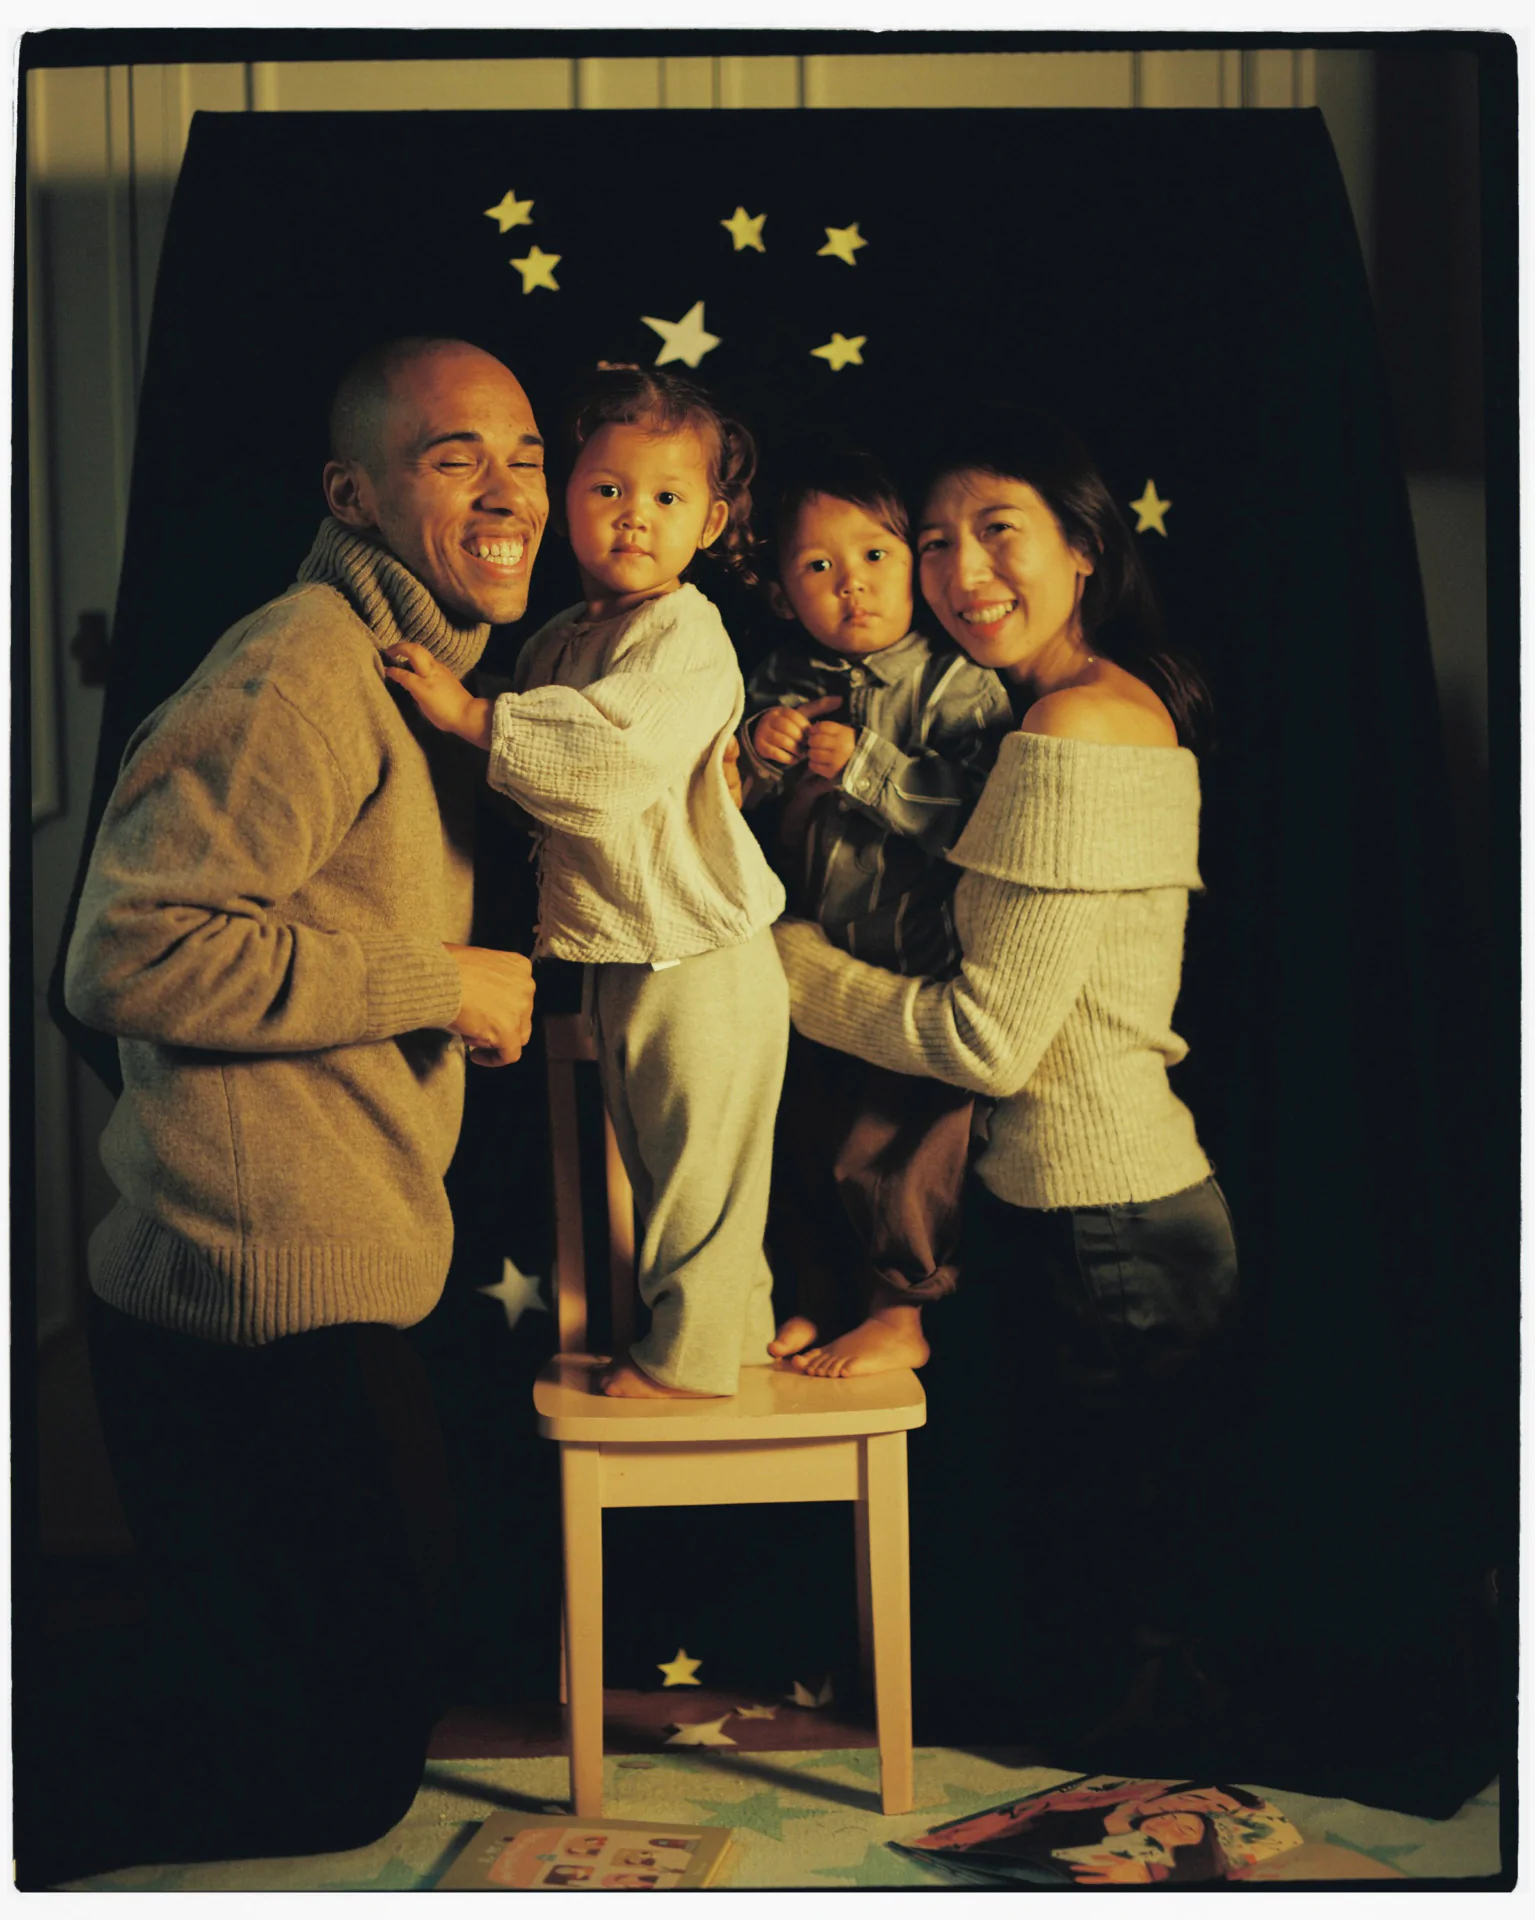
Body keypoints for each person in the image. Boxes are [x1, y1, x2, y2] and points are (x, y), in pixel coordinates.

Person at [20, 337, 543, 1886]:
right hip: (244, 1307)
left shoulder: (424, 672)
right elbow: (124, 954)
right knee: (322, 1779)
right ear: (354, 492)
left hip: (325, 1275)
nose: (507, 489)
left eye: (522, 452)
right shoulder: (302, 665)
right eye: (455, 457)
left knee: (324, 1730)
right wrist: (431, 981)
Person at [771, 412, 1246, 1722]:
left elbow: (983, 1036)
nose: (959, 571)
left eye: (998, 532)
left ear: (1082, 550)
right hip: (1071, 1213)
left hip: (1113, 1222)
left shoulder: (1076, 733)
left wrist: (780, 969)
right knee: (1098, 1611)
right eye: (932, 541)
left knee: (1135, 1654)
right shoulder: (1045, 721)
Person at [387, 367, 787, 1400]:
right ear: (567, 499)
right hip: (620, 942)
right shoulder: (564, 636)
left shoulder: (683, 633)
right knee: (663, 1162)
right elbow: (538, 788)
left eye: (666, 498)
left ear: (709, 523)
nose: (633, 518)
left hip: (698, 949)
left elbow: (605, 767)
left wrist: (474, 719)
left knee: (699, 1165)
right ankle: (732, 1339)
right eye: (607, 490)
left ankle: (692, 1360)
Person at [738, 448, 1011, 1376]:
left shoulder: (956, 683)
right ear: (780, 592)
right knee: (802, 1142)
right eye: (817, 567)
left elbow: (975, 821)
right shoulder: (779, 674)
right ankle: (816, 1298)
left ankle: (902, 1312)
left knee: (891, 1157)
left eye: (874, 556)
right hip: (808, 971)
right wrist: (759, 748)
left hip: (913, 972)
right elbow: (728, 801)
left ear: (915, 566)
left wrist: (863, 763)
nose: (850, 585)